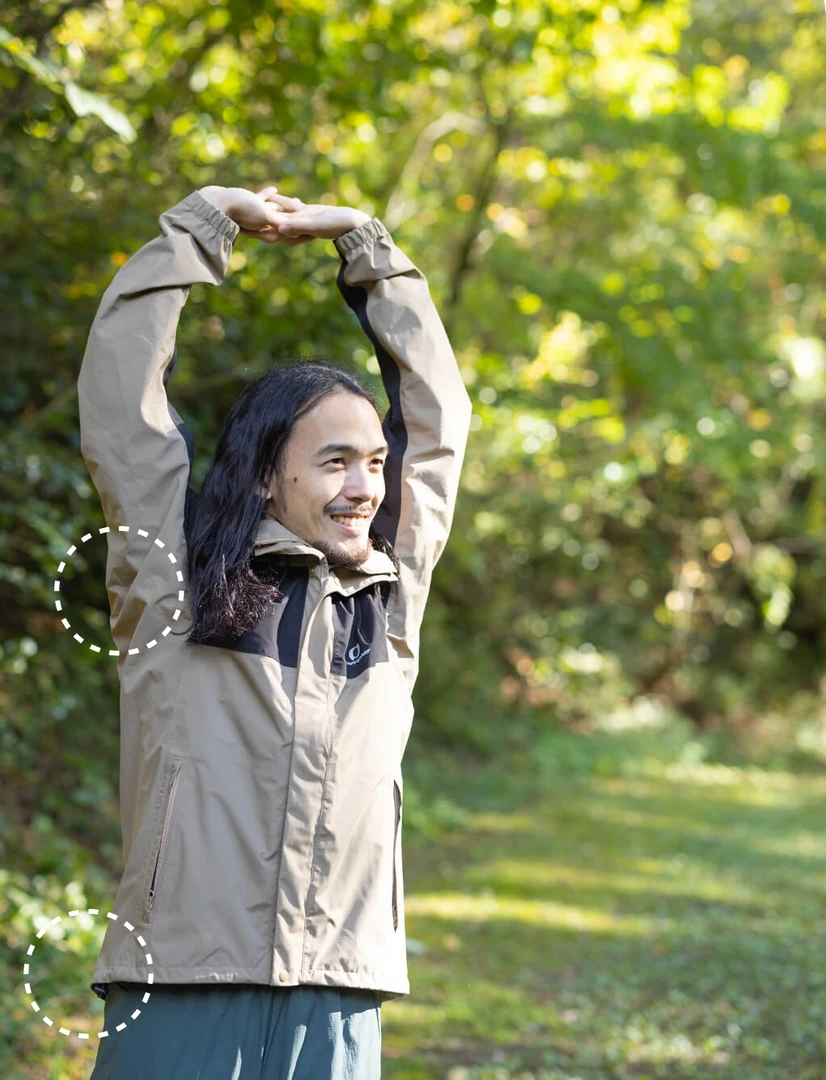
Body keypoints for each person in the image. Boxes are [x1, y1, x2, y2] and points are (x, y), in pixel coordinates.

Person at [77, 182, 472, 1079]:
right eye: (334, 461)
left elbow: (439, 426)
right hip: (178, 982)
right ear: (265, 477)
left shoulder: (388, 594)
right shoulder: (173, 584)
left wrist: (369, 246)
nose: (365, 486)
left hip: (338, 986)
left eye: (374, 462)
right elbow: (119, 406)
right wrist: (198, 228)